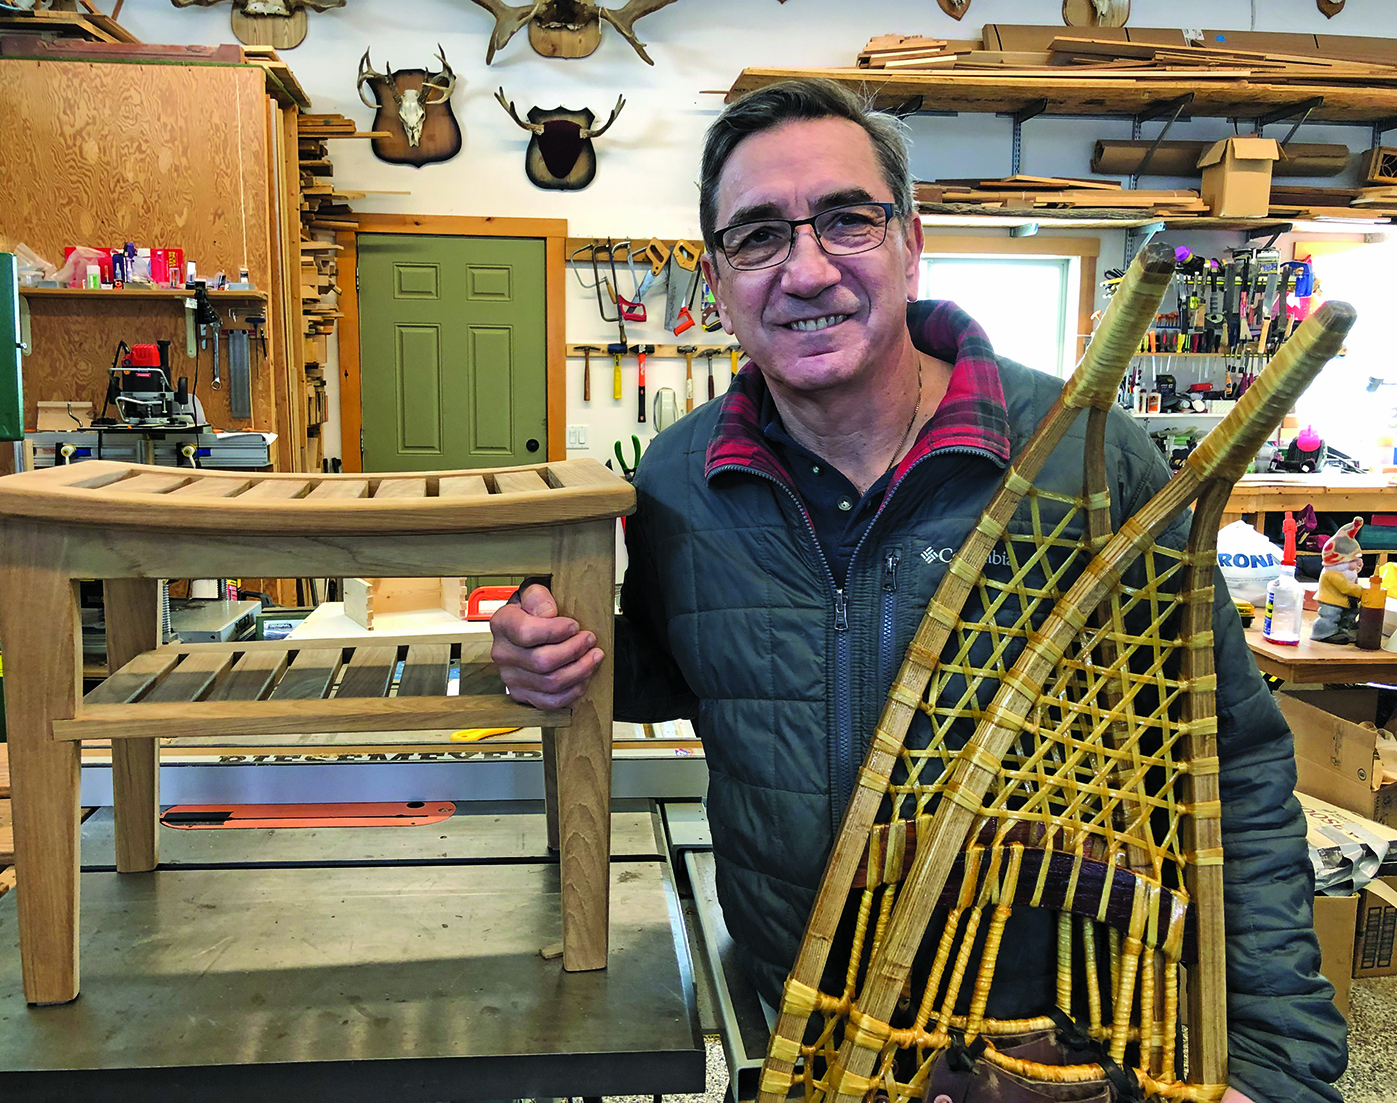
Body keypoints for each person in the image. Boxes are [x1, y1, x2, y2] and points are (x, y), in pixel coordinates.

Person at [490, 78, 1342, 1103]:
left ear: (910, 240)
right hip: (806, 1036)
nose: (806, 268)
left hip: (1055, 1052)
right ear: (719, 279)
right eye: (758, 236)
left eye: (846, 218)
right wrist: (553, 655)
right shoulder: (678, 480)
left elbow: (1231, 764)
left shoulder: (1084, 463)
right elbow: (680, 669)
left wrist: (1273, 1063)